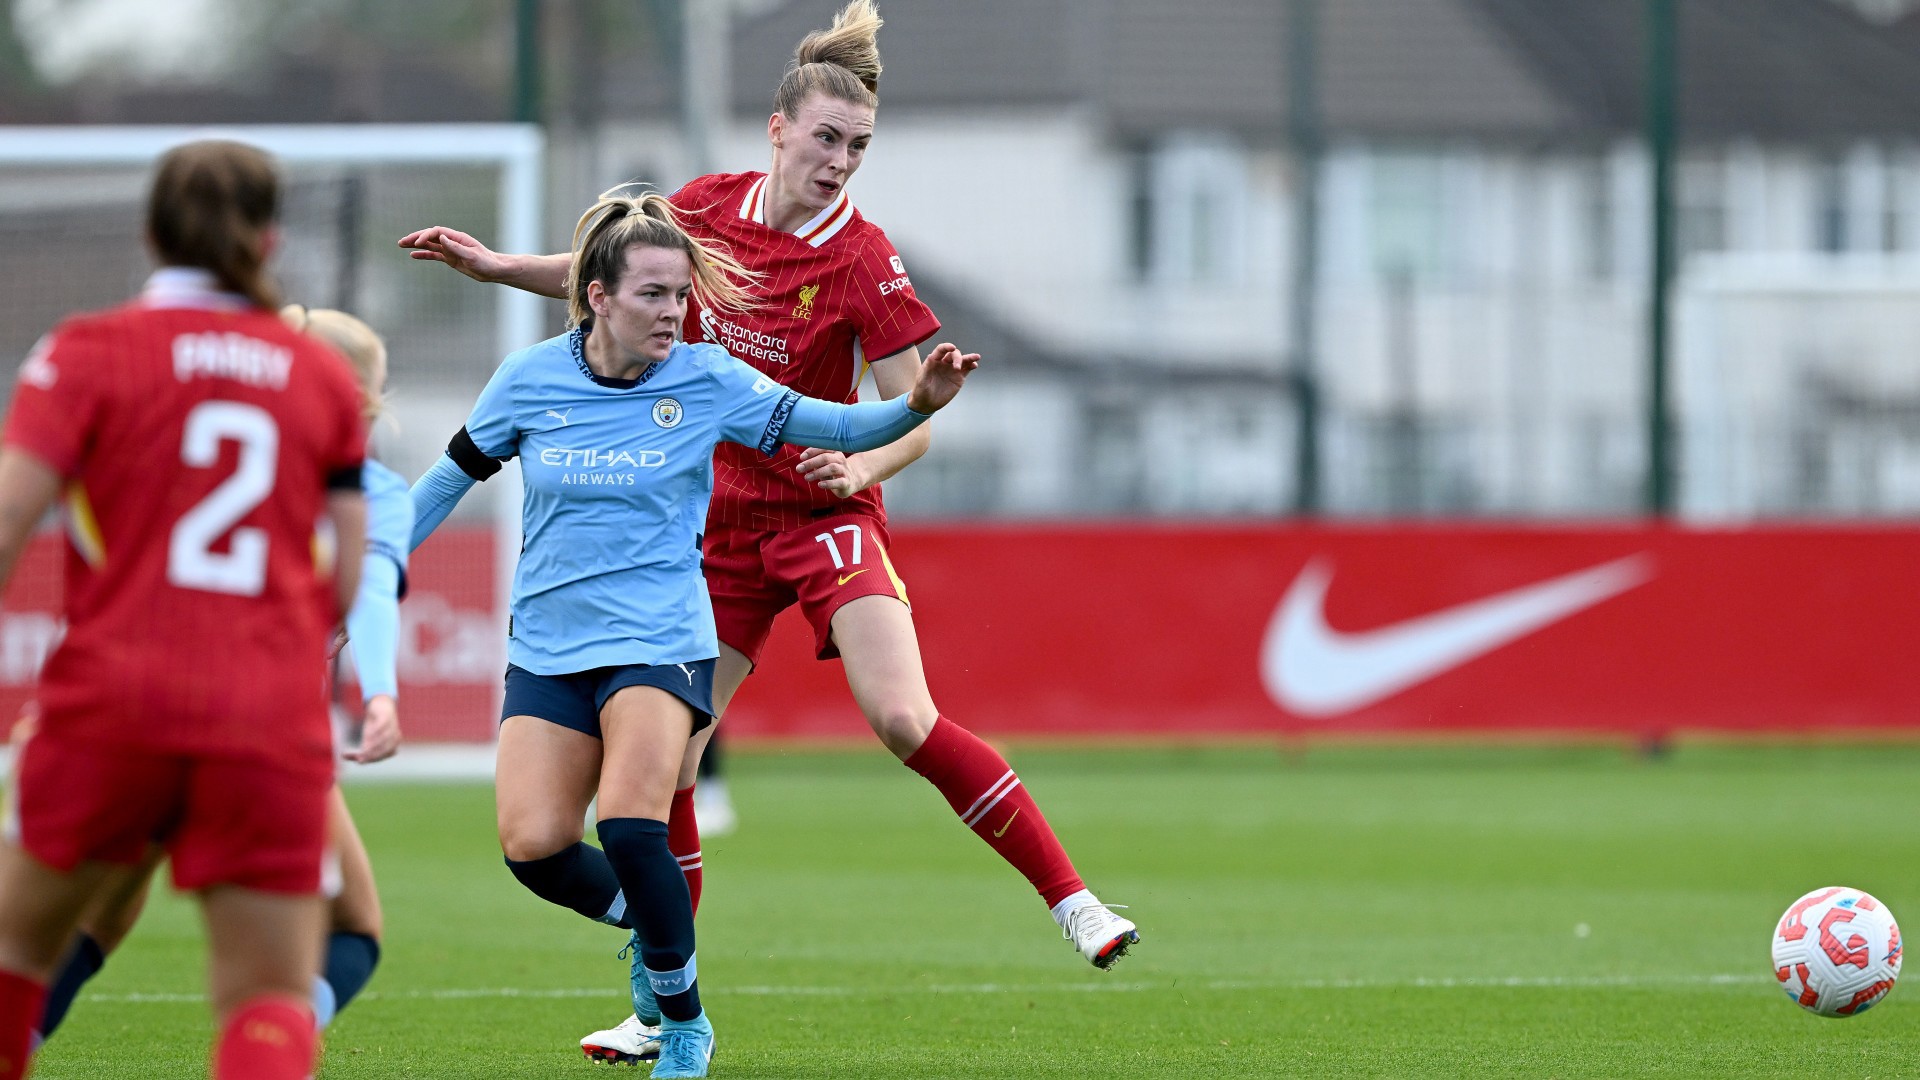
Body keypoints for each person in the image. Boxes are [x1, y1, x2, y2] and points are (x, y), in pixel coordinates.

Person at [399, 0, 1136, 1060]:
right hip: (719, 527)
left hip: (824, 513)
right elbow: (614, 280)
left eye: (860, 147)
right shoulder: (702, 210)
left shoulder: (865, 261)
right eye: (827, 139)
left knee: (900, 717)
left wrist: (872, 459)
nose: (841, 162)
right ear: (779, 131)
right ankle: (661, 1004)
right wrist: (496, 269)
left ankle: (1074, 901)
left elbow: (909, 414)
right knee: (666, 772)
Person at [407, 188, 976, 1079]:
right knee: (534, 847)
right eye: (652, 296)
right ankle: (658, 929)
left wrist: (919, 406)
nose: (674, 313)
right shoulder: (529, 379)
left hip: (661, 639)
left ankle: (682, 1026)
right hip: (549, 646)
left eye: (681, 295)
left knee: (633, 827)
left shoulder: (708, 380)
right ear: (597, 296)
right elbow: (445, 483)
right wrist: (375, 569)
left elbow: (835, 423)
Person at [0, 140, 368, 1080]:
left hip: (111, 700)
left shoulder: (85, 352)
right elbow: (344, 580)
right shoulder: (319, 375)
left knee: (16, 965)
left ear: (149, 233)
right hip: (261, 713)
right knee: (269, 1001)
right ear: (270, 239)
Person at [16, 304, 413, 1051]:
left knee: (85, 919)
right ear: (357, 394)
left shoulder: (177, 433)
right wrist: (381, 688)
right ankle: (274, 1048)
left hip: (121, 708)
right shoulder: (361, 484)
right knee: (351, 928)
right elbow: (370, 588)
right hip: (251, 720)